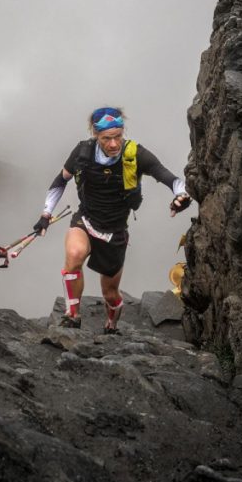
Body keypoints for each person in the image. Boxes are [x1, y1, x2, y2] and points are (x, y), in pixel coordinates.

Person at [33, 106, 191, 333]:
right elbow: (60, 181)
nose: (114, 144)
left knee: (110, 292)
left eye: (118, 136)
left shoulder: (135, 154)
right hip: (85, 221)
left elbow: (169, 178)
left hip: (115, 231)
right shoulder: (83, 152)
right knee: (74, 256)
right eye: (107, 138)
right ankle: (72, 316)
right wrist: (45, 215)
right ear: (96, 135)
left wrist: (182, 196)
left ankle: (112, 325)